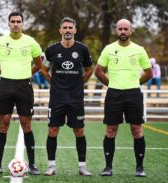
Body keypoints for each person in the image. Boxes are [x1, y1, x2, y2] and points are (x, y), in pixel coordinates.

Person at [95, 19, 153, 177]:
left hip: (133, 94)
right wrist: (111, 83)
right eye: (120, 28)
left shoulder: (139, 49)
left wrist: (135, 83)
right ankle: (108, 167)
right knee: (111, 129)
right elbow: (98, 71)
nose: (123, 31)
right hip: (114, 94)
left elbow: (149, 72)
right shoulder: (109, 49)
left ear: (131, 31)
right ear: (116, 31)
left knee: (137, 130)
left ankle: (140, 168)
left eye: (125, 29)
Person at [0, 12, 42, 175]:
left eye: (18, 21)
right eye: (13, 22)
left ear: (23, 24)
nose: (16, 24)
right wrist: (4, 73)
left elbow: (39, 64)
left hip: (24, 86)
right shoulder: (0, 42)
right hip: (5, 85)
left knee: (26, 125)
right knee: (3, 124)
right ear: (8, 24)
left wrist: (26, 73)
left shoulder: (31, 42)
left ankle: (32, 164)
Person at [41, 17, 93, 176]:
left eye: (71, 27)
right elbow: (44, 70)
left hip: (75, 98)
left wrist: (79, 83)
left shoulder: (83, 49)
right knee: (52, 130)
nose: (68, 30)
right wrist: (53, 83)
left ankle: (82, 166)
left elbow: (89, 70)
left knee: (79, 131)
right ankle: (51, 166)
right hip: (57, 98)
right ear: (60, 30)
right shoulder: (52, 50)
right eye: (65, 28)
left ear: (75, 30)